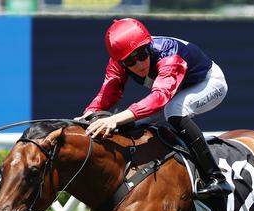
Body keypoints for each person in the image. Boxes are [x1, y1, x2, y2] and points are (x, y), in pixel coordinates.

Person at [80, 18, 233, 199]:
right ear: (120, 63)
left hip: (208, 83)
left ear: (149, 45)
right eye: (130, 61)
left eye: (143, 54)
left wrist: (113, 119)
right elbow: (107, 95)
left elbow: (160, 98)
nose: (139, 64)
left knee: (173, 111)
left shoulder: (169, 54)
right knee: (133, 123)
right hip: (176, 91)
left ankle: (215, 177)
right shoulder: (117, 62)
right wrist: (86, 117)